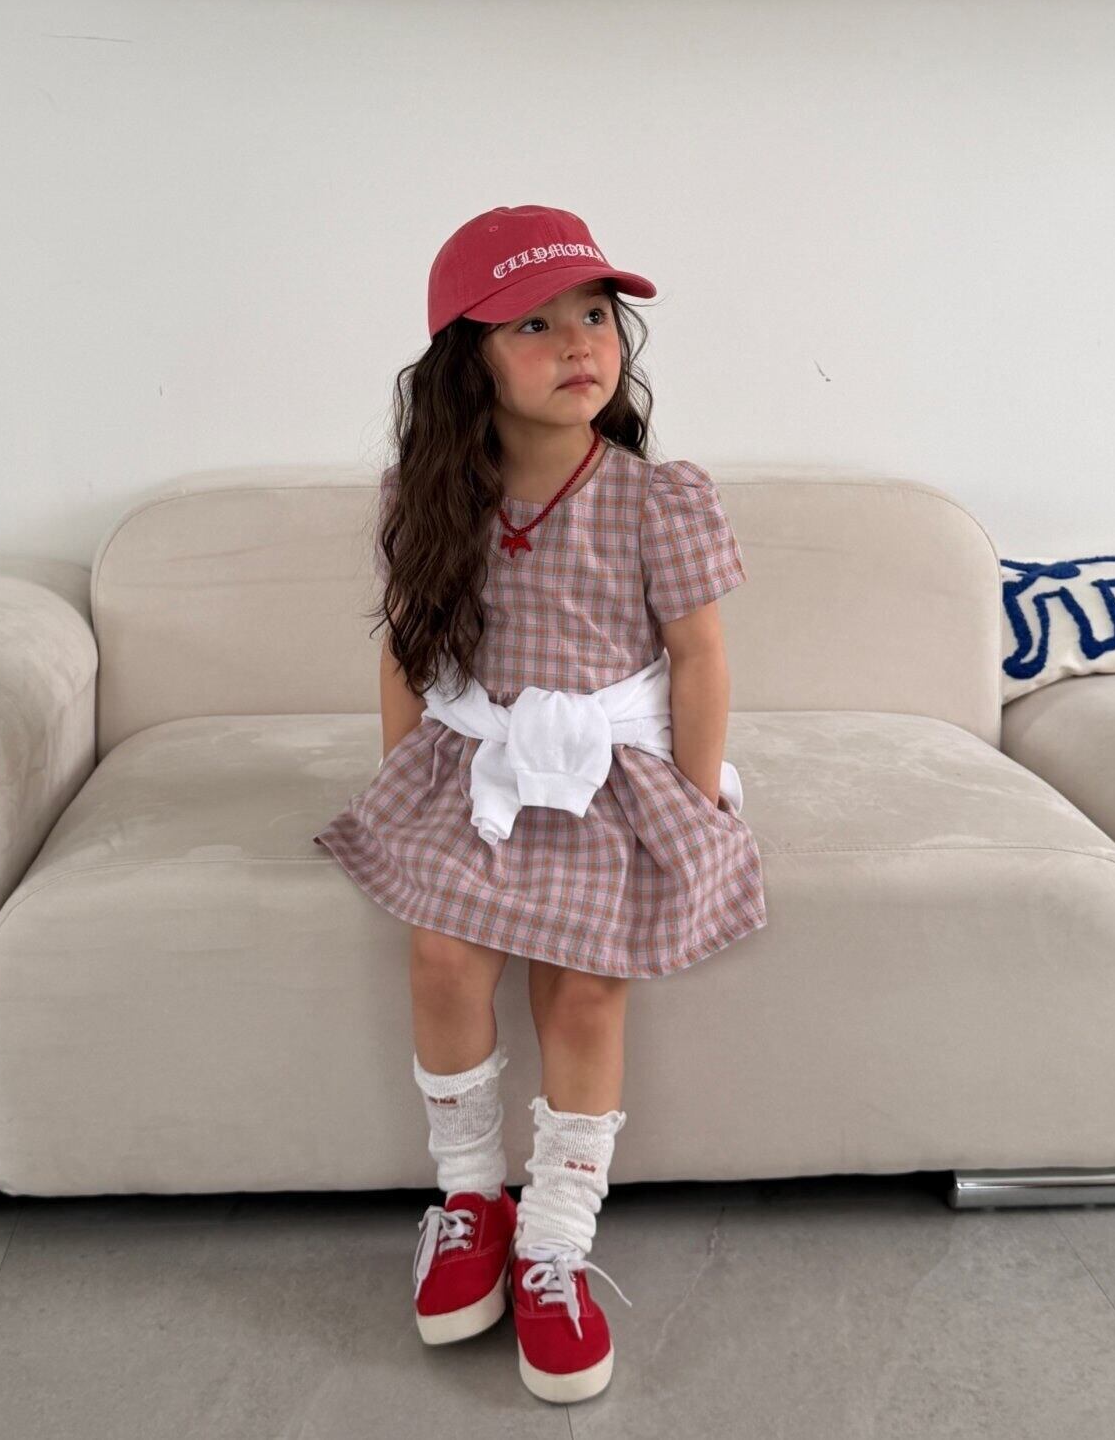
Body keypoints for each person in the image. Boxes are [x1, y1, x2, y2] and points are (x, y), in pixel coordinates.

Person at [312, 202, 766, 1405]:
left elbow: (699, 658)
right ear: (466, 360)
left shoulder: (657, 497)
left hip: (610, 776)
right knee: (442, 956)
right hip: (479, 766)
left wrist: (695, 798)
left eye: (594, 315)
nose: (577, 342)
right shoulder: (430, 495)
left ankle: (554, 1235)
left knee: (581, 982)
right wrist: (404, 781)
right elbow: (408, 649)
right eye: (533, 323)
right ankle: (471, 1196)